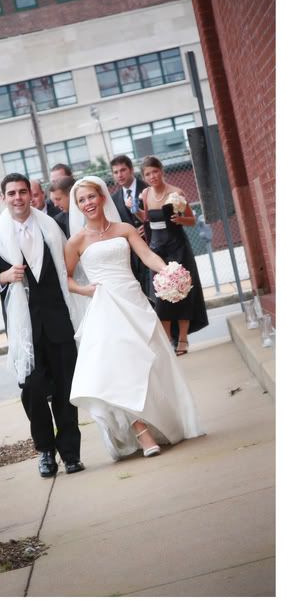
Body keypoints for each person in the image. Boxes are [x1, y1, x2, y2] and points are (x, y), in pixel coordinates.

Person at [64, 176, 204, 461]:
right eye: (82, 200)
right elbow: (66, 279)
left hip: (134, 302)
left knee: (150, 365)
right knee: (119, 369)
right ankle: (141, 432)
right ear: (77, 206)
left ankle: (161, 422)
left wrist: (167, 271)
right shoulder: (75, 241)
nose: (88, 203)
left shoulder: (124, 229)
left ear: (102, 197)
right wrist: (84, 289)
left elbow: (147, 255)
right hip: (104, 307)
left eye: (91, 197)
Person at [0, 174, 84, 478]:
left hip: (59, 323)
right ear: (3, 198)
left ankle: (71, 454)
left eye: (22, 192)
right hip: (24, 331)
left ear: (31, 195)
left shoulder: (52, 227)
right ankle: (45, 452)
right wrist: (3, 277)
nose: (17, 198)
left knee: (66, 390)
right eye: (11, 193)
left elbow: (70, 268)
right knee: (33, 391)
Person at [138, 156, 209, 356]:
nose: (152, 176)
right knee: (162, 296)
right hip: (157, 251)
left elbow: (192, 220)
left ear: (161, 171)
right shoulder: (145, 194)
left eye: (155, 171)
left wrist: (180, 219)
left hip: (178, 249)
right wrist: (134, 211)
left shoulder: (176, 193)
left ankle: (183, 339)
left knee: (182, 293)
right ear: (144, 177)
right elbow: (146, 219)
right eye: (148, 174)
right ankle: (168, 339)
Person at [110, 155, 149, 296]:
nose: (119, 175)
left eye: (123, 170)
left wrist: (147, 228)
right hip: (132, 255)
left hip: (153, 246)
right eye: (116, 172)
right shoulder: (114, 199)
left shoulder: (148, 189)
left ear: (131, 170)